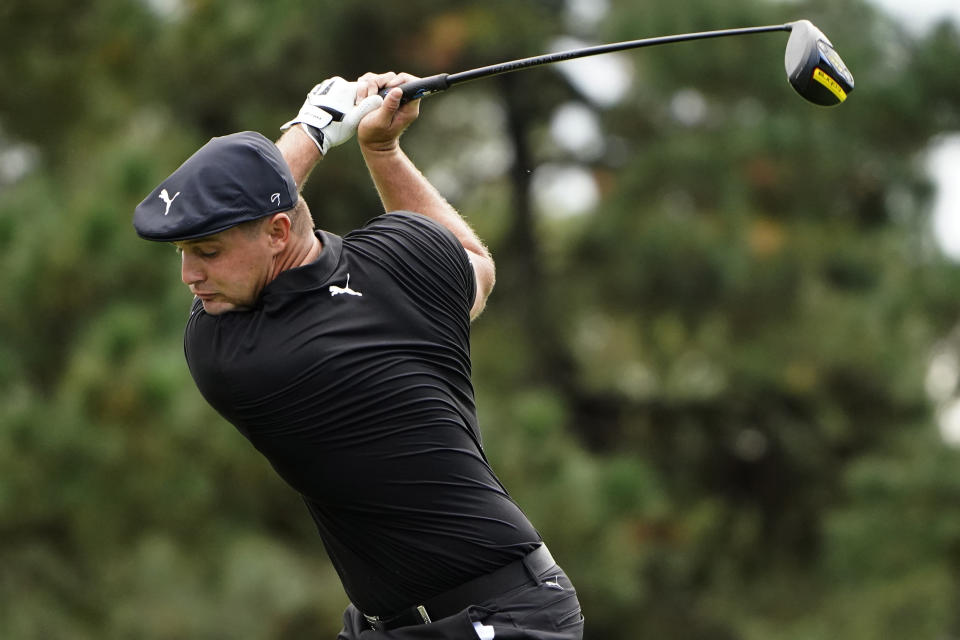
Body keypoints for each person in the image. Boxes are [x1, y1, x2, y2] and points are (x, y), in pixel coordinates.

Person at [133, 72, 584, 639]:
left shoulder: (247, 356)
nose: (189, 276)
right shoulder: (403, 258)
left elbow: (270, 196)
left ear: (277, 233)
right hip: (419, 619)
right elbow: (474, 263)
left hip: (502, 620)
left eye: (207, 251)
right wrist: (383, 150)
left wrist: (315, 127)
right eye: (182, 251)